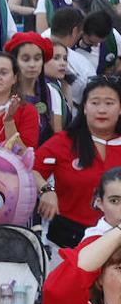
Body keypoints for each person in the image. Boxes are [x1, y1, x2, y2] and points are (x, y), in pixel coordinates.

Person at [36, 76, 121, 247]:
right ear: (84, 108)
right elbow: (31, 169)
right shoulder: (65, 141)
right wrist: (47, 189)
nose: (102, 110)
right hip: (66, 238)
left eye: (109, 103)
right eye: (95, 103)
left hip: (116, 239)